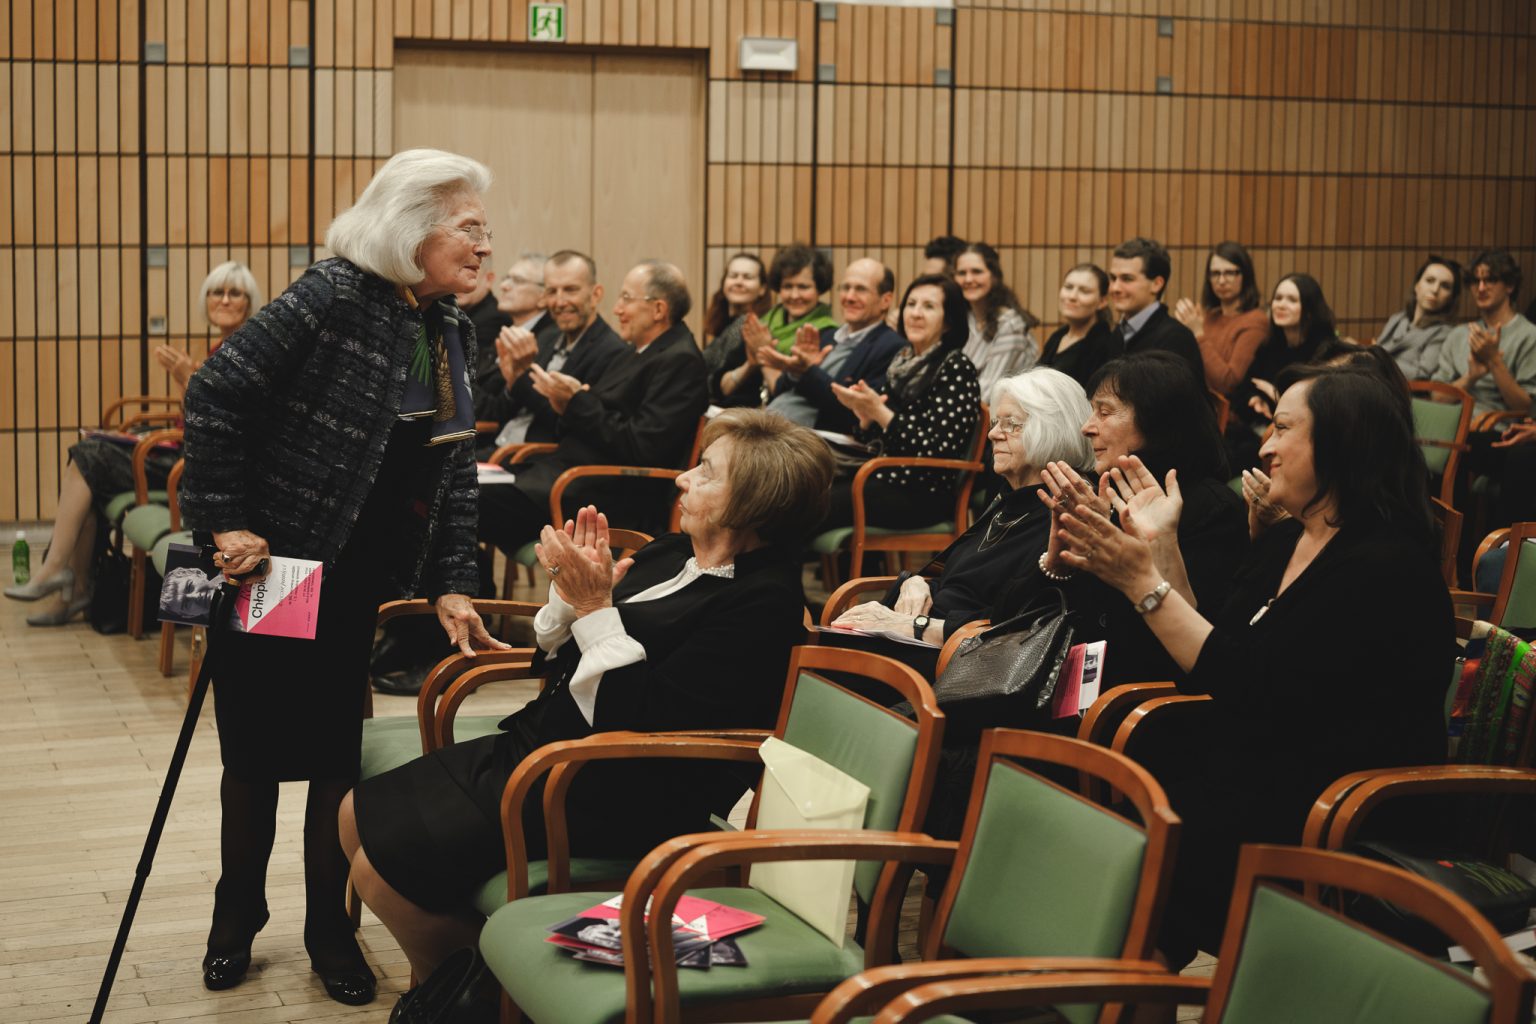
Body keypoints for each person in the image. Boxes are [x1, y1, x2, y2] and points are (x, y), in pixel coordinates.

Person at [176, 149, 512, 1006]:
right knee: (256, 753)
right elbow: (215, 394)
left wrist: (450, 581)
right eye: (469, 228)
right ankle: (237, 912)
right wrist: (225, 519)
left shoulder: (449, 328)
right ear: (411, 229)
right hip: (275, 566)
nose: (485, 246)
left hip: (355, 576)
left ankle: (330, 926)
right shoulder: (332, 296)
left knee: (335, 756)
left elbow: (451, 469)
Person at [338, 411, 835, 986]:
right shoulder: (671, 552)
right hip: (550, 747)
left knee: (381, 875)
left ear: (753, 503)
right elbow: (559, 654)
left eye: (706, 472)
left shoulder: (764, 604)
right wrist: (572, 597)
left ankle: (472, 992)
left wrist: (597, 608)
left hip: (614, 786)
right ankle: (479, 981)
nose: (683, 478)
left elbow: (646, 720)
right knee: (352, 815)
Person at [1054, 368, 1451, 965]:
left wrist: (1140, 583)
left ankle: (1120, 982)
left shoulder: (1387, 566)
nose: (1265, 447)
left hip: (1333, 804)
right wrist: (1161, 547)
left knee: (1144, 856)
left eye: (1283, 428)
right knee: (1115, 828)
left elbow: (1247, 682)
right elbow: (1214, 651)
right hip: (1258, 769)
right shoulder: (1287, 541)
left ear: (1340, 443)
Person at [5, 262, 260, 624]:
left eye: (235, 293)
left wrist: (188, 378)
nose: (225, 300)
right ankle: (73, 591)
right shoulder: (218, 347)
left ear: (250, 302)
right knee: (90, 466)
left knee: (88, 457)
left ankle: (58, 572)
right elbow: (192, 414)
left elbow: (216, 426)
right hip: (180, 451)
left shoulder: (244, 351)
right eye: (217, 292)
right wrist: (185, 381)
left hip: (194, 467)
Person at [830, 367, 1095, 672]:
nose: (993, 434)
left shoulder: (1063, 514)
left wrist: (917, 627)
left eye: (1011, 424)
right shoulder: (1008, 500)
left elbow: (1017, 626)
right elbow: (959, 580)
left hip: (956, 667)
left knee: (824, 663)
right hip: (921, 641)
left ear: (1053, 428)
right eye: (996, 422)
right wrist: (915, 583)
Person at [1039, 351, 1247, 686]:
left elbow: (1198, 646)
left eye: (1104, 412)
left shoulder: (1212, 508)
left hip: (1135, 697)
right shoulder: (1100, 494)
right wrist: (1057, 563)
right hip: (1071, 683)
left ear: (1156, 421)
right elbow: (1039, 618)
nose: (1086, 427)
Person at [479, 260, 709, 557]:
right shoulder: (638, 351)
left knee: (460, 503)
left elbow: (642, 446)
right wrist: (565, 401)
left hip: (600, 491)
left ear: (658, 310)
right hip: (564, 475)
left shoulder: (680, 361)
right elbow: (598, 413)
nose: (617, 309)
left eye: (626, 298)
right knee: (454, 492)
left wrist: (575, 401)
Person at [821, 274, 982, 532]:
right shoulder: (902, 361)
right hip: (884, 476)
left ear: (949, 322)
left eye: (928, 306)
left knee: (814, 505)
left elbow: (939, 449)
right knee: (805, 491)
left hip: (923, 492)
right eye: (911, 304)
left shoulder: (956, 367)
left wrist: (880, 412)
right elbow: (882, 440)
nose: (916, 313)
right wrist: (866, 419)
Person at [486, 250, 627, 448]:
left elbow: (568, 426)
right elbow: (504, 410)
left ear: (595, 295)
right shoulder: (545, 338)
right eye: (552, 291)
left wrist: (522, 380)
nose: (560, 302)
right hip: (498, 446)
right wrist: (512, 381)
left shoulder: (613, 352)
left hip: (535, 457)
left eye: (570, 290)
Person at [760, 257, 906, 432]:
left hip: (814, 440)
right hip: (771, 425)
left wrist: (807, 371)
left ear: (885, 300)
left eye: (861, 289)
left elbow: (852, 413)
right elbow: (780, 390)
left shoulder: (892, 347)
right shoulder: (826, 335)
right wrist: (794, 372)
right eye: (845, 288)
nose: (849, 297)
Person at [1226, 273, 1340, 469]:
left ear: (1310, 309)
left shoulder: (1326, 351)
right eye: (1278, 298)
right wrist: (1255, 399)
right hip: (1259, 430)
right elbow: (1241, 392)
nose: (1281, 305)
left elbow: (1317, 408)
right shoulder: (1270, 346)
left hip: (1302, 440)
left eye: (1292, 300)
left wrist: (1275, 395)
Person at [710, 244, 836, 407]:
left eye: (803, 287)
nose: (794, 295)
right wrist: (750, 364)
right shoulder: (762, 323)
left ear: (819, 289)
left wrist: (764, 352)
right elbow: (721, 386)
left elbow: (790, 396)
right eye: (787, 286)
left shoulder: (828, 333)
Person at [1431, 249, 1536, 419]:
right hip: (1454, 426)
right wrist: (1470, 377)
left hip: (1498, 428)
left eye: (1490, 280)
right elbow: (1437, 398)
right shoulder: (1458, 335)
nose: (1480, 288)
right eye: (1475, 281)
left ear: (1509, 286)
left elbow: (1527, 408)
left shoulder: (1529, 336)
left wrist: (1494, 361)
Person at [1173, 241, 1269, 397]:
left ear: (1245, 275)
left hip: (1229, 409)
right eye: (1215, 273)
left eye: (1230, 273)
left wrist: (1198, 333)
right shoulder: (1209, 317)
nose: (1222, 281)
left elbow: (1228, 382)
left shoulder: (1255, 321)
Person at [474, 252, 559, 425]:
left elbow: (501, 409)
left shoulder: (546, 340)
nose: (504, 286)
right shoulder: (507, 330)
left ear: (544, 297)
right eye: (506, 278)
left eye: (518, 281)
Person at [1107, 236, 1204, 385]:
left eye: (1127, 279)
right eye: (1113, 278)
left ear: (1156, 284)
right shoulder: (1118, 333)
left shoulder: (1177, 338)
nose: (1115, 288)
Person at [955, 242, 1040, 399]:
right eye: (961, 273)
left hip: (1009, 410)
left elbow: (988, 392)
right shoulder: (965, 319)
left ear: (994, 275)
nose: (968, 279)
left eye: (977, 271)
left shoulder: (1010, 325)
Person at [1375, 255, 1463, 382]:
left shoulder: (1444, 332)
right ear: (1417, 285)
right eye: (1430, 280)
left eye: (1445, 286)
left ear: (1451, 298)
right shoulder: (1398, 319)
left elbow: (1421, 375)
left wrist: (1376, 358)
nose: (1435, 290)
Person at [1039, 263, 1121, 388]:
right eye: (1068, 287)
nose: (1072, 296)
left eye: (1084, 291)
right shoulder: (1057, 336)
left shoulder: (1106, 344)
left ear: (1102, 301)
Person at [701, 251, 771, 351]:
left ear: (762, 289)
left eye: (748, 277)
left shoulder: (760, 327)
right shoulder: (724, 322)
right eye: (733, 276)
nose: (738, 282)